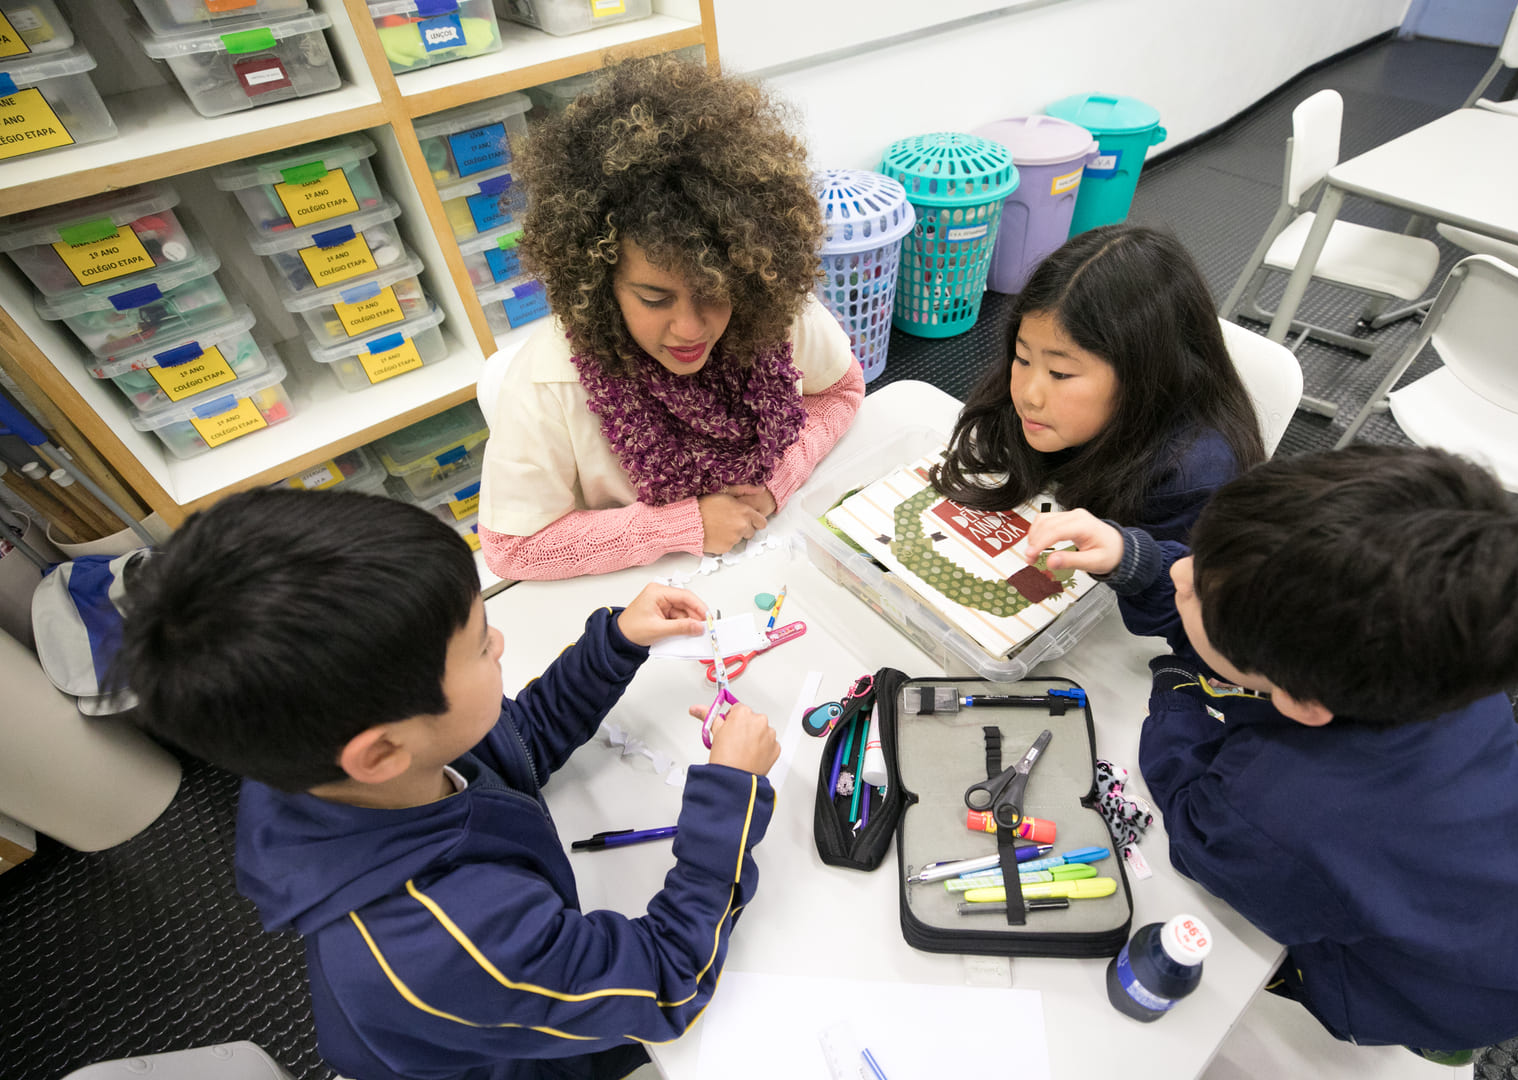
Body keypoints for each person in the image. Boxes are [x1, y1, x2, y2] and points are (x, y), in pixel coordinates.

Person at [116, 488, 781, 1080]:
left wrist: (613, 646)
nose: (500, 645)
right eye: (479, 642)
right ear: (380, 751)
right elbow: (666, 982)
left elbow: (515, 742)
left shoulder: (323, 769)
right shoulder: (450, 940)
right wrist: (729, 799)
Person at [1020, 445, 1518, 1058]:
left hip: (1420, 1000)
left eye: (1197, 587)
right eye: (1199, 557)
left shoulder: (1269, 810)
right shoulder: (1449, 659)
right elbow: (1259, 620)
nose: (1182, 574)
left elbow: (1195, 823)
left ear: (1302, 702)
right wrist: (1139, 561)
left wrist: (1179, 691)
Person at [480, 54, 865, 580]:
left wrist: (782, 476)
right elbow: (511, 548)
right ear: (600, 281)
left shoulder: (770, 311)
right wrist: (680, 526)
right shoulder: (549, 381)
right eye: (655, 299)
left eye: (714, 293)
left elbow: (841, 390)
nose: (689, 329)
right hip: (642, 604)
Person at [931, 225, 1264, 543]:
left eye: (1060, 374)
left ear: (1143, 376)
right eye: (1022, 357)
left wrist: (1128, 560)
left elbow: (1179, 594)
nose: (1029, 395)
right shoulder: (1052, 393)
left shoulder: (1192, 478)